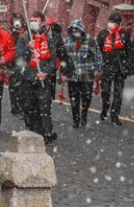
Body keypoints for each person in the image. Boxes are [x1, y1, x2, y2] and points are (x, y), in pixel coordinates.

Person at [17, 11, 65, 143]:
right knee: (29, 107)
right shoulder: (24, 37)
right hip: (28, 78)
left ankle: (45, 133)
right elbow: (19, 58)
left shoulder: (48, 39)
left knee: (44, 107)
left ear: (42, 23)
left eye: (35, 20)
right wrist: (28, 48)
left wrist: (45, 72)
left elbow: (53, 60)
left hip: (44, 79)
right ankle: (31, 131)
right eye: (31, 20)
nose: (32, 22)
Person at [61, 19, 102, 129]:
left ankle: (84, 114)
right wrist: (63, 72)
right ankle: (76, 118)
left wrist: (98, 72)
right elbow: (63, 58)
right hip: (72, 76)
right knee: (74, 99)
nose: (75, 32)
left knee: (87, 97)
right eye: (73, 30)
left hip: (87, 76)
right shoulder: (67, 41)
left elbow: (97, 56)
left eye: (77, 30)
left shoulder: (90, 40)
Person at [96, 12, 132, 125]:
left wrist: (127, 67)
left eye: (114, 22)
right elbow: (97, 51)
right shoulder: (103, 34)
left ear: (118, 24)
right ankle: (104, 108)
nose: (111, 24)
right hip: (106, 67)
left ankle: (114, 115)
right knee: (105, 91)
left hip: (119, 68)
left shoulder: (124, 35)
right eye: (110, 21)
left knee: (118, 93)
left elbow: (129, 52)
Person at [7, 13, 27, 116]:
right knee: (13, 86)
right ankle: (14, 107)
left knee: (22, 87)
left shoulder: (27, 33)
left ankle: (22, 107)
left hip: (23, 63)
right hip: (12, 64)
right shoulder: (11, 34)